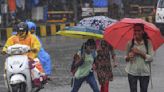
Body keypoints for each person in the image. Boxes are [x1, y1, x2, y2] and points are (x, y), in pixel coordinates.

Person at [2, 22, 46, 86]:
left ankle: (39, 80)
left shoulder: (32, 37)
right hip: (14, 59)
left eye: (23, 31)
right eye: (19, 31)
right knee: (6, 67)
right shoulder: (12, 38)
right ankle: (7, 82)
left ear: (26, 31)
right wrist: (4, 50)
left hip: (29, 58)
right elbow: (7, 46)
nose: (21, 33)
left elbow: (37, 45)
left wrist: (34, 48)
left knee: (36, 65)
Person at [125, 23, 154, 92]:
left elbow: (151, 58)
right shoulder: (130, 43)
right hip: (132, 72)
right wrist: (129, 57)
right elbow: (126, 58)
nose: (136, 32)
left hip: (144, 72)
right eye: (135, 30)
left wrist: (139, 52)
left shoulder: (148, 43)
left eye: (139, 30)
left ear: (143, 31)